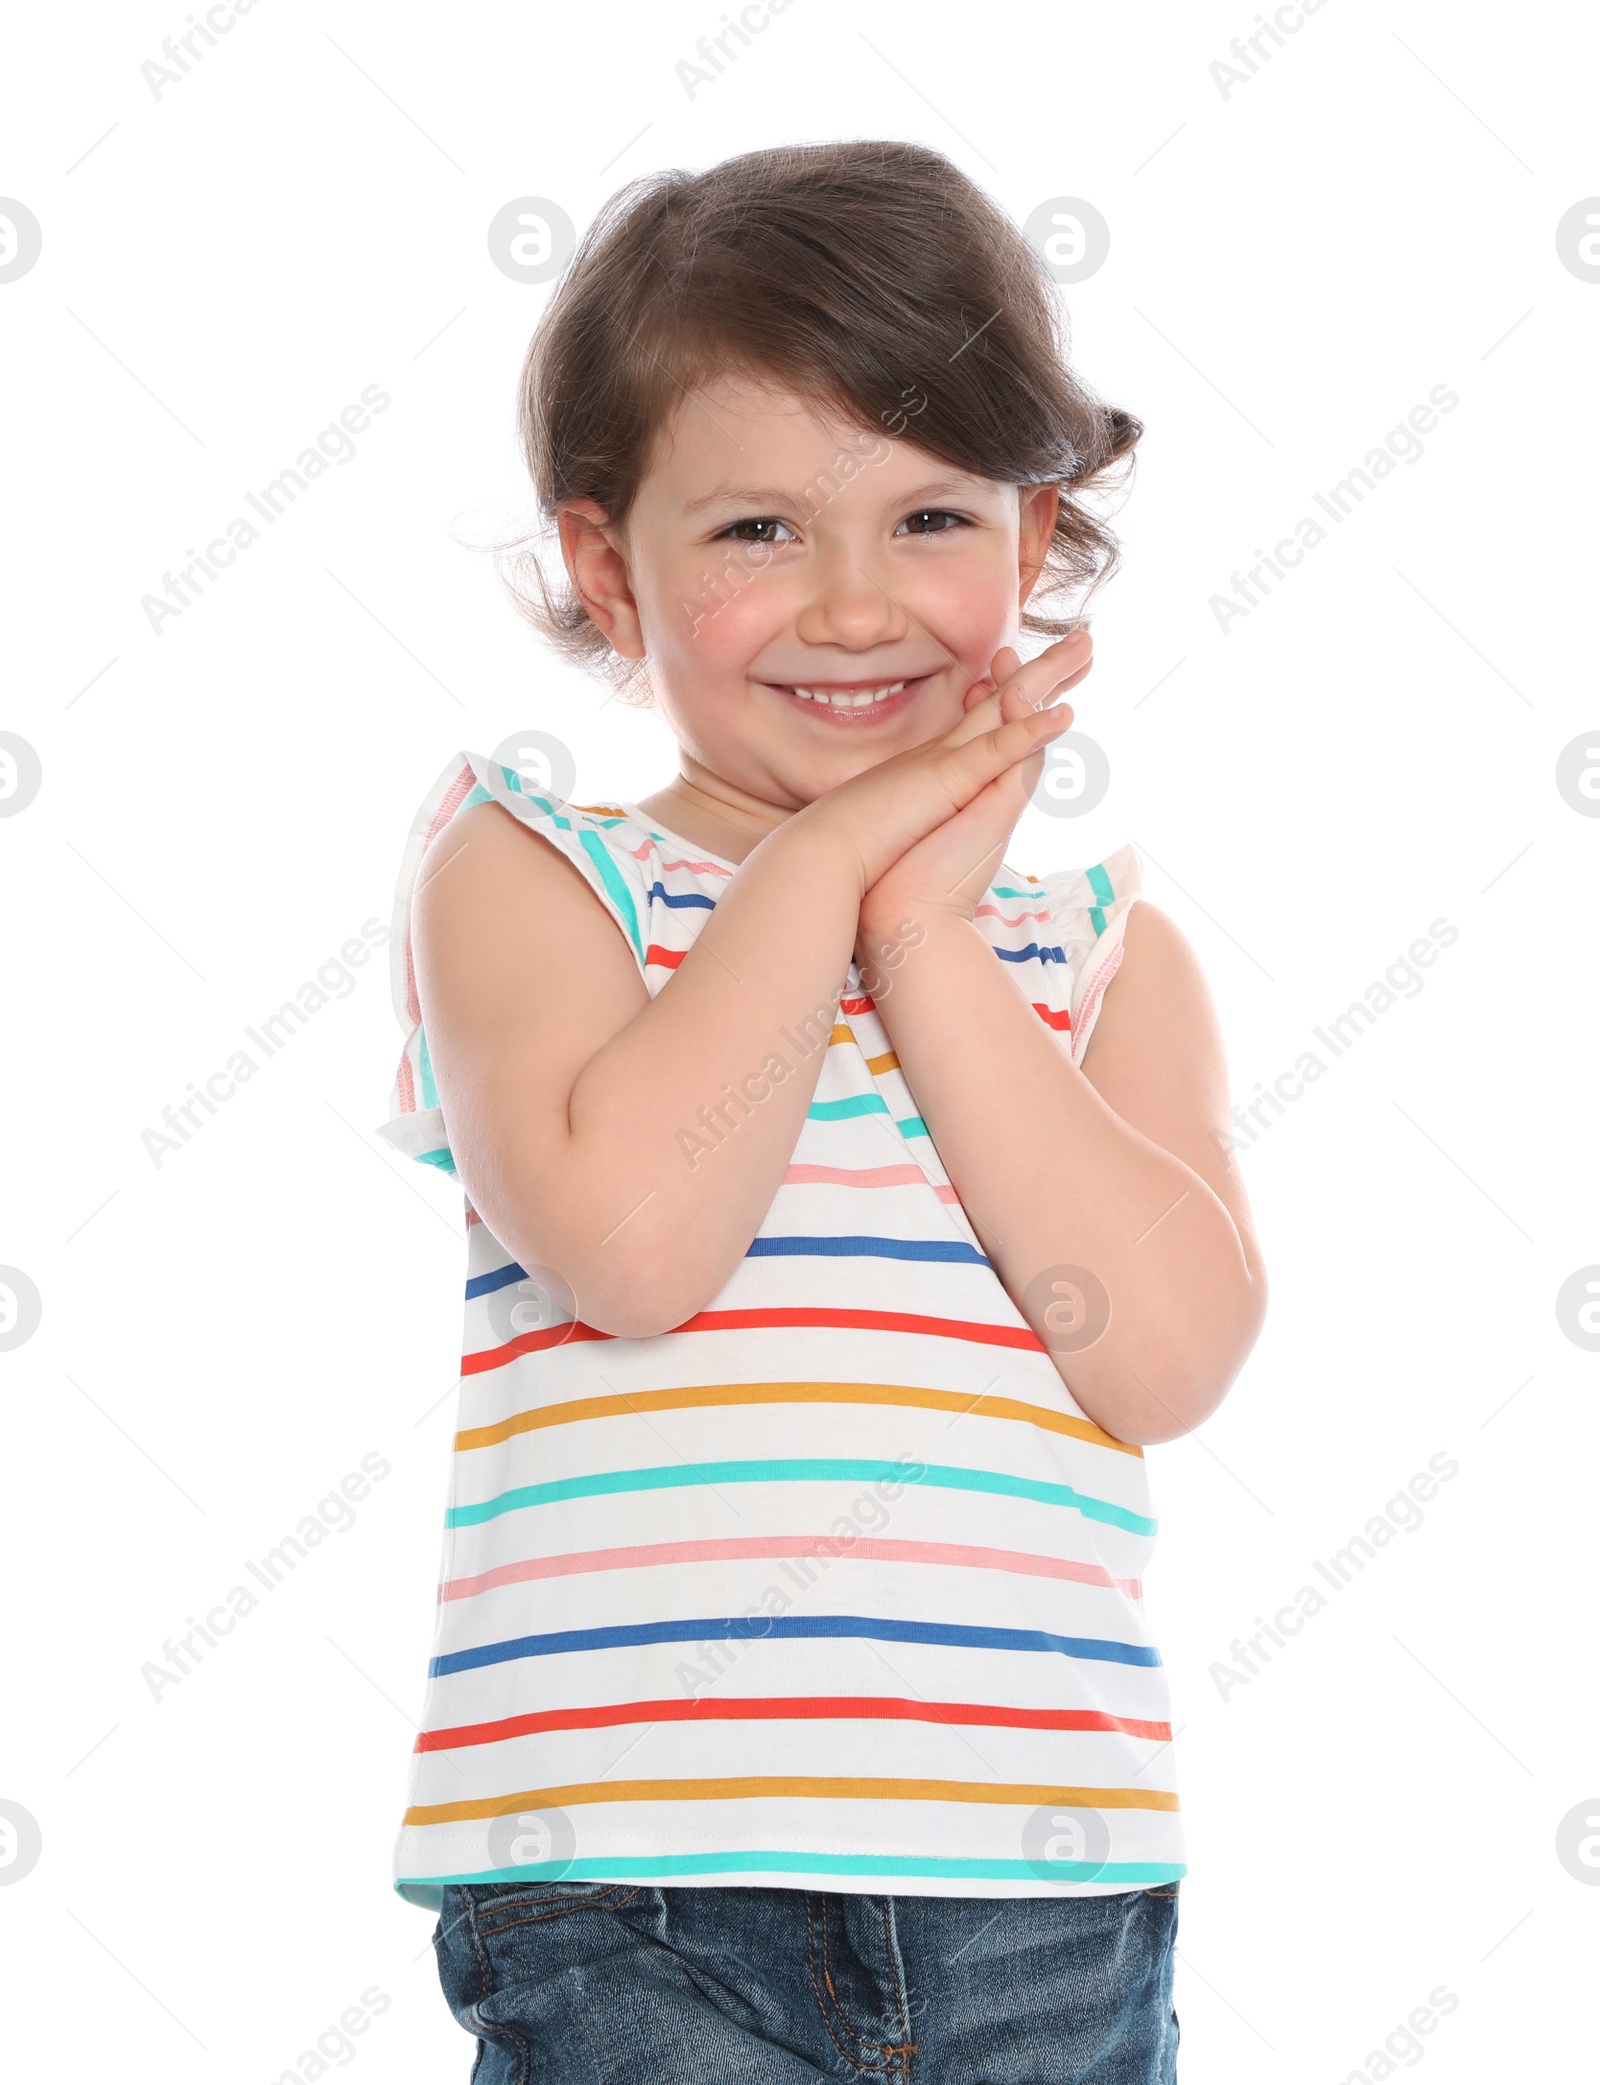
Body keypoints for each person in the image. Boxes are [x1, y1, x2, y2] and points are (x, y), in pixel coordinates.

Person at [379, 138, 1267, 2083]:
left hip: (1044, 1886)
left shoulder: (1098, 953)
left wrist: (928, 930)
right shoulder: (534, 875)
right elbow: (633, 1243)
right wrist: (840, 856)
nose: (853, 606)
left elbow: (1167, 1353)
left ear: (1034, 545)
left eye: (929, 516)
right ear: (611, 566)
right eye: (759, 531)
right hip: (631, 1891)